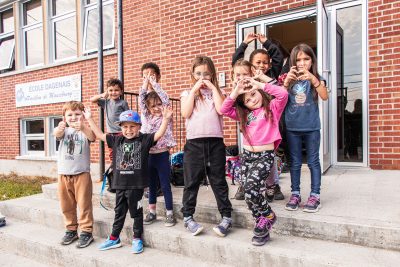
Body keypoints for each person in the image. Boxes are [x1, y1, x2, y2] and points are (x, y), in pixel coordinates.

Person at [84, 108, 173, 254]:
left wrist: (166, 119)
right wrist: (89, 118)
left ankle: (137, 238)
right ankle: (114, 238)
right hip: (120, 185)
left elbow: (158, 134)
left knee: (136, 213)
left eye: (132, 126)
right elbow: (99, 135)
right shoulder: (117, 140)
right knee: (119, 212)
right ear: (121, 128)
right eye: (125, 126)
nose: (128, 130)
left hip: (136, 186)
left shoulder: (144, 140)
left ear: (139, 127)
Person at [180, 55, 233, 237]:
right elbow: (185, 113)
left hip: (215, 144)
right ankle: (188, 217)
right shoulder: (187, 94)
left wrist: (213, 88)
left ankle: (226, 217)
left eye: (206, 74)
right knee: (192, 182)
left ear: (213, 75)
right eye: (198, 74)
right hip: (194, 145)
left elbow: (221, 110)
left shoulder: (218, 94)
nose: (202, 78)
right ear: (192, 74)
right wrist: (195, 89)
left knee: (218, 181)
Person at [230, 59, 285, 202]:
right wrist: (235, 92)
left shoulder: (268, 104)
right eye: (238, 75)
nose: (241, 78)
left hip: (266, 147)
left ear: (252, 74)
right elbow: (225, 109)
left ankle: (272, 185)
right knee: (249, 177)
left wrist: (260, 83)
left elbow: (282, 93)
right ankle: (252, 188)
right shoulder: (242, 107)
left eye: (245, 74)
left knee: (269, 165)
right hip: (249, 148)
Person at [283, 43, 328, 213]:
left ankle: (315, 195)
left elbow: (324, 96)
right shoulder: (288, 79)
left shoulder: (317, 78)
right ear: (293, 62)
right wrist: (286, 83)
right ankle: (295, 194)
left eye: (306, 59)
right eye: (298, 59)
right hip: (292, 127)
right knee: (294, 163)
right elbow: (278, 100)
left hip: (311, 127)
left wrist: (314, 79)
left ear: (312, 60)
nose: (302, 63)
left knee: (313, 161)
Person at [139, 62, 177, 227]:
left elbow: (164, 97)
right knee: (151, 185)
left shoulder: (165, 116)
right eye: (152, 106)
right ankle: (152, 212)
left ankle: (169, 213)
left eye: (158, 104)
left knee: (165, 184)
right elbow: (141, 99)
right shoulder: (146, 117)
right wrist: (145, 83)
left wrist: (153, 83)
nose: (156, 108)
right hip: (149, 155)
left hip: (162, 154)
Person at [53, 101, 96, 248]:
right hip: (64, 174)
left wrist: (84, 126)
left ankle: (86, 231)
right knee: (66, 205)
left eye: (77, 114)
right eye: (69, 114)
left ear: (83, 116)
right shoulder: (62, 130)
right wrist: (60, 128)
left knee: (84, 204)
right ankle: (71, 229)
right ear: (64, 117)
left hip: (81, 173)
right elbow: (56, 134)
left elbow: (92, 137)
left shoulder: (84, 130)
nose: (73, 117)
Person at [90, 78, 129, 164]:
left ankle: (124, 164)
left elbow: (128, 116)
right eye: (110, 90)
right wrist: (102, 95)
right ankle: (114, 166)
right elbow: (92, 100)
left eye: (116, 90)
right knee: (112, 152)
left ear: (121, 92)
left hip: (121, 132)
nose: (113, 92)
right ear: (107, 91)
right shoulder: (106, 102)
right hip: (111, 132)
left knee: (123, 150)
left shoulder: (123, 103)